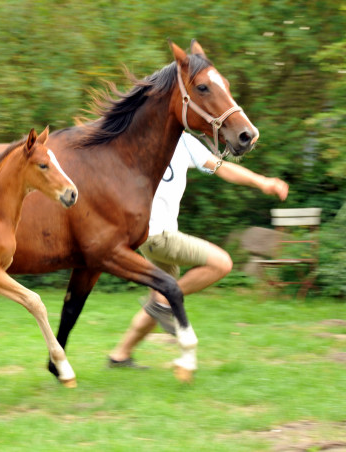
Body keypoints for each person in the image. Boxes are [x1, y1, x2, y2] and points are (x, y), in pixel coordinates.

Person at [108, 132, 289, 368]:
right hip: (157, 235)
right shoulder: (139, 134)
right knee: (221, 263)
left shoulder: (183, 141)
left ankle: (120, 356)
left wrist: (261, 181)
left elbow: (222, 167)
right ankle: (165, 301)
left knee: (159, 299)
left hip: (152, 235)